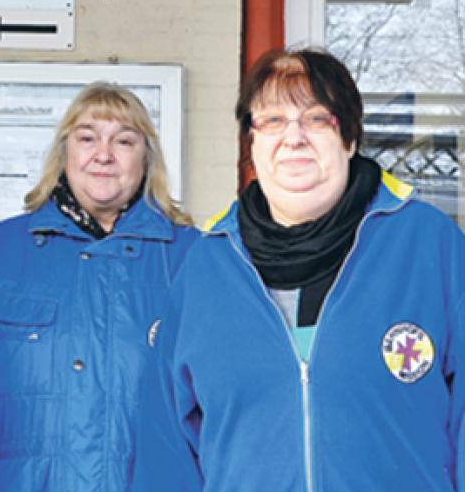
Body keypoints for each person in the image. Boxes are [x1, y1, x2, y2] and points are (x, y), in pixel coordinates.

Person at [142, 48, 465, 490]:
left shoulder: (428, 245)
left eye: (316, 118)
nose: (293, 138)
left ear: (349, 138)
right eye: (272, 120)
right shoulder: (207, 266)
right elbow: (167, 449)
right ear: (252, 144)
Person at [0, 82, 198, 490]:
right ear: (64, 152)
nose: (103, 155)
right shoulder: (3, 250)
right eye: (87, 137)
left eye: (124, 141)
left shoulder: (190, 258)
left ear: (146, 158)